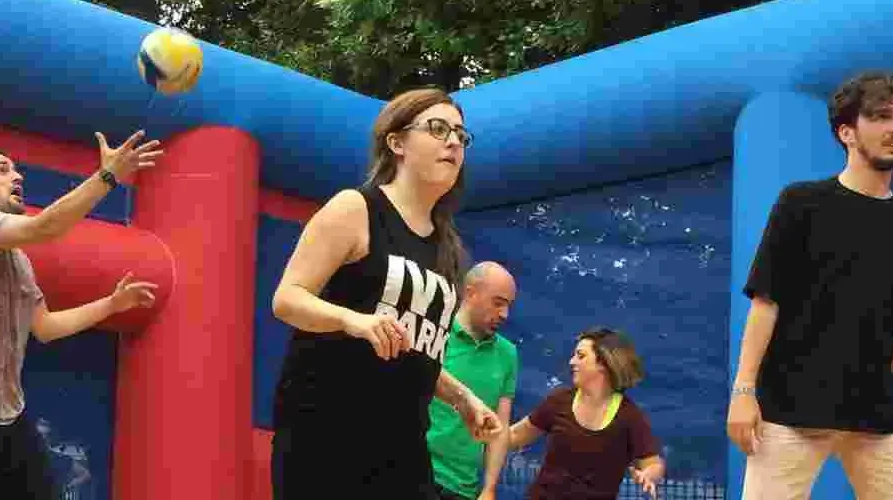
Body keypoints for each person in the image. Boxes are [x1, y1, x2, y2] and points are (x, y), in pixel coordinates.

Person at [270, 88, 503, 500]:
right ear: (396, 142)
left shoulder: (446, 246)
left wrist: (463, 398)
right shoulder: (356, 208)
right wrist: (352, 319)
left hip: (403, 450)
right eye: (437, 128)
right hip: (326, 440)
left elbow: (415, 349)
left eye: (460, 135)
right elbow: (287, 298)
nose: (453, 141)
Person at [0, 130, 163, 500]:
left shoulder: (19, 260)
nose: (17, 177)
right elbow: (45, 226)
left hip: (8, 419)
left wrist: (110, 305)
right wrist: (108, 176)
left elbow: (45, 327)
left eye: (17, 171)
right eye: (2, 170)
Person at [727, 71, 893, 499]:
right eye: (882, 117)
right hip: (789, 413)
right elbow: (765, 305)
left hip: (878, 417)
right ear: (847, 132)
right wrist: (743, 392)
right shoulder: (801, 203)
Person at [508, 327, 664, 499]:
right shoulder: (559, 400)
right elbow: (515, 436)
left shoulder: (629, 417)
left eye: (580, 356)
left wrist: (648, 475)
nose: (571, 362)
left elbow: (653, 463)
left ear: (604, 364)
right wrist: (486, 434)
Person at [427, 261, 519, 500]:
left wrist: (489, 488)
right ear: (471, 292)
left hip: (462, 488)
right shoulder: (434, 330)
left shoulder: (508, 354)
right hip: (412, 470)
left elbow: (501, 427)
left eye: (508, 306)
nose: (504, 314)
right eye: (498, 303)